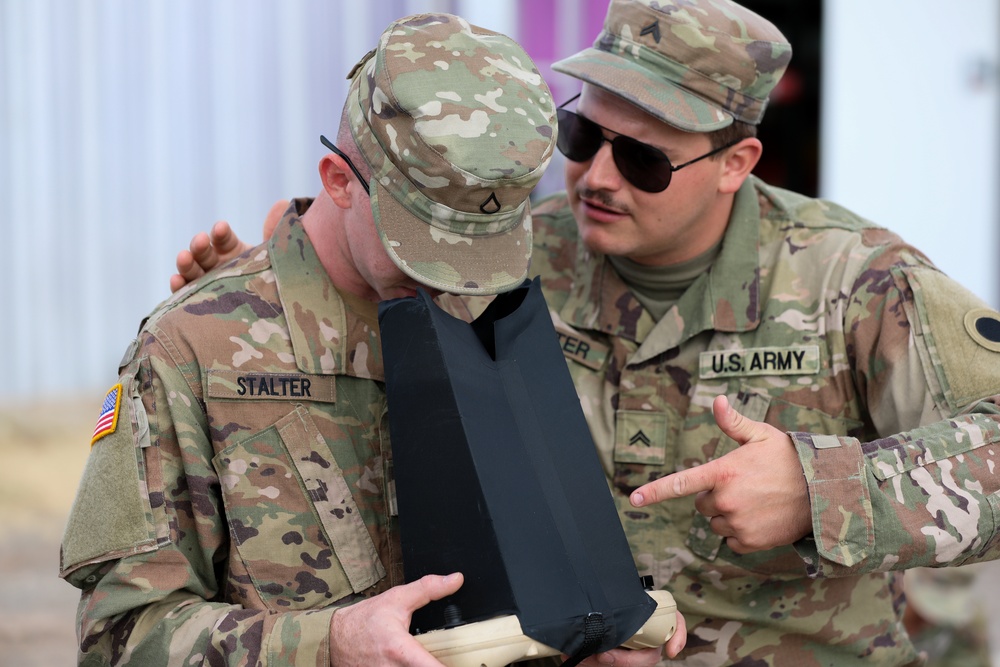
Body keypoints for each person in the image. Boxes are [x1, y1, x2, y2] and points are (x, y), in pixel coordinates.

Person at [172, 0, 1000, 664]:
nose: (596, 176)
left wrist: (821, 489)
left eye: (642, 159)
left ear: (735, 163)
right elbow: (370, 309)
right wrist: (262, 292)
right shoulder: (507, 252)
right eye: (581, 134)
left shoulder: (855, 282)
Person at [61, 13, 686, 667]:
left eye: (483, 245)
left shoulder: (503, 322)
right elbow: (118, 636)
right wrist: (325, 644)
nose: (458, 273)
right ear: (339, 180)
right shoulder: (192, 351)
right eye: (426, 243)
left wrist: (593, 641)